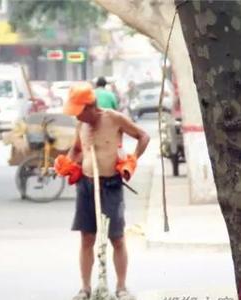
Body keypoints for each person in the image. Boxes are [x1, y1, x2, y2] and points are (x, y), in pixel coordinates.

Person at [56, 82, 150, 300]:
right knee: (87, 238)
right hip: (87, 185)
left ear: (90, 106)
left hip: (111, 184)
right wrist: (68, 164)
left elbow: (143, 136)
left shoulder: (114, 118)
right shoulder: (81, 125)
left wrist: (132, 161)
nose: (76, 117)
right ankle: (85, 288)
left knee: (116, 238)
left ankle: (121, 287)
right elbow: (78, 149)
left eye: (78, 112)